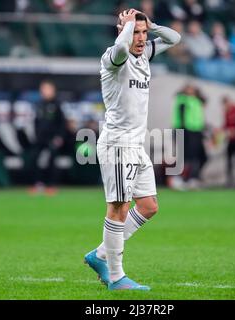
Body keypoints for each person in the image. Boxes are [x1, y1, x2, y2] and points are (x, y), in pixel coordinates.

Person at [84, 9, 180, 291]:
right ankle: (116, 277)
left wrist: (151, 25)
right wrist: (126, 27)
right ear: (123, 31)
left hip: (137, 145)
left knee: (149, 206)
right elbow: (121, 48)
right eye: (134, 32)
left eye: (143, 33)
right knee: (118, 207)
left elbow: (174, 38)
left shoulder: (144, 54)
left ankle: (101, 254)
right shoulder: (113, 58)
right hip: (117, 144)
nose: (140, 38)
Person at [28, 80, 67, 195]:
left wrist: (59, 137)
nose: (45, 92)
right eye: (43, 89)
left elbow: (62, 123)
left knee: (51, 161)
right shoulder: (39, 105)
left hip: (52, 139)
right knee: (34, 159)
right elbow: (35, 122)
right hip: (40, 139)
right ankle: (37, 184)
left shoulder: (57, 105)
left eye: (47, 89)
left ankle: (51, 185)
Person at [171, 84, 207, 190]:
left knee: (199, 156)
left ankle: (192, 178)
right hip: (185, 131)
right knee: (184, 156)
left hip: (196, 131)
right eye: (189, 89)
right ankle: (179, 179)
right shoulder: (182, 100)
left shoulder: (196, 101)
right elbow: (181, 116)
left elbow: (203, 104)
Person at [222, 96, 235, 187]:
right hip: (231, 141)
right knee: (229, 160)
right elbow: (225, 126)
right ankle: (230, 179)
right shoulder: (226, 113)